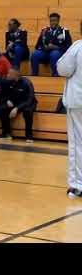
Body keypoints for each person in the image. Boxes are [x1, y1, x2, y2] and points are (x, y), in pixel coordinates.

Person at [57, 40, 82, 198]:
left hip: (79, 102)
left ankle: (77, 184)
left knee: (77, 143)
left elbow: (62, 68)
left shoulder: (78, 46)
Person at [5, 67, 37, 142]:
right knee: (3, 109)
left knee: (27, 112)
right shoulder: (9, 82)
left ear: (15, 75)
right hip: (16, 103)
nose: (7, 75)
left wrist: (17, 108)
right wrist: (8, 100)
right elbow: (6, 94)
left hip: (29, 103)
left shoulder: (26, 82)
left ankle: (29, 136)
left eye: (9, 74)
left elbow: (30, 98)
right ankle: (7, 134)